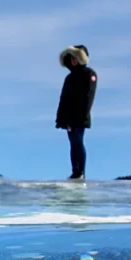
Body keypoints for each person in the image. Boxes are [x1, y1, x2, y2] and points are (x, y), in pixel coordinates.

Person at [55, 45, 97, 180]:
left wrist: (83, 116)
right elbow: (63, 99)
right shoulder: (69, 78)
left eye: (74, 58)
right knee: (72, 143)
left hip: (80, 117)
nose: (72, 61)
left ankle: (81, 172)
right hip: (68, 118)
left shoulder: (89, 74)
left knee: (78, 141)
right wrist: (60, 118)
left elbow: (89, 96)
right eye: (70, 58)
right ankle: (75, 171)